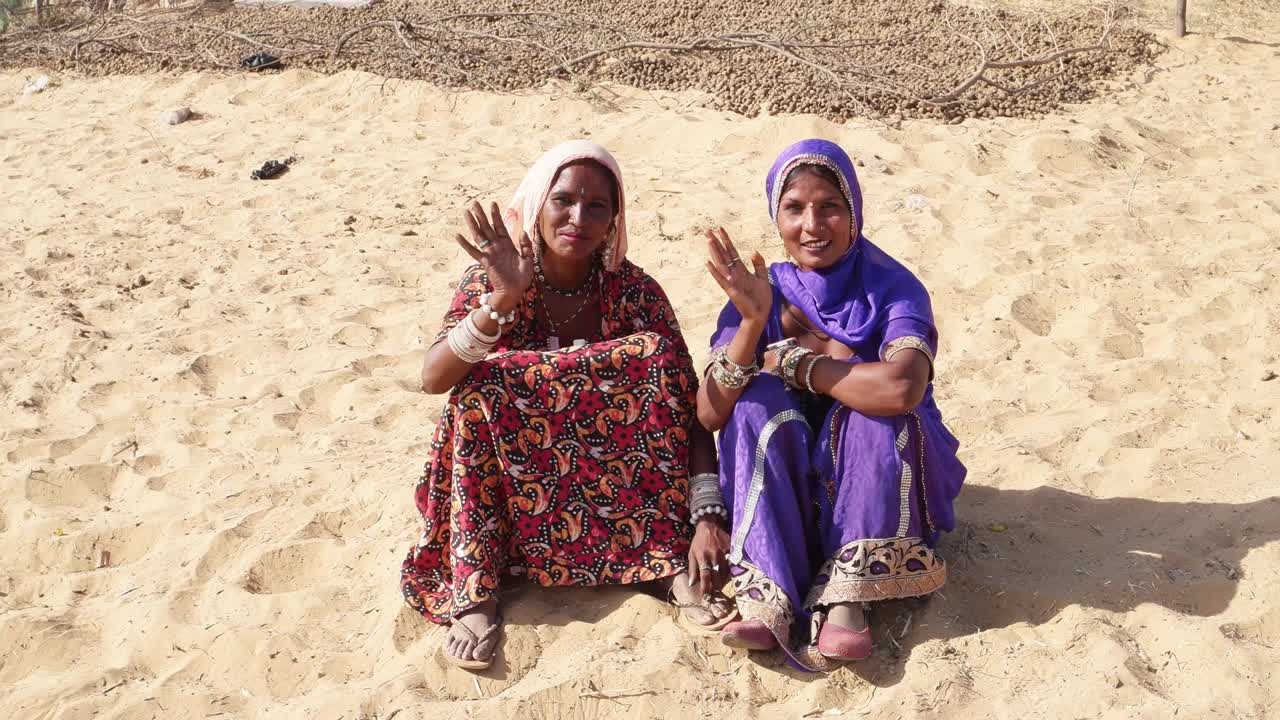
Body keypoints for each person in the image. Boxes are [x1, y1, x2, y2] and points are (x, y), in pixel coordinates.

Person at [401, 140, 733, 671]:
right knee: (479, 386)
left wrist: (706, 515)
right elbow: (433, 378)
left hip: (616, 492)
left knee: (656, 357)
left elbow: (685, 402)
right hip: (516, 487)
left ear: (613, 218)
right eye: (564, 200)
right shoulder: (495, 276)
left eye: (597, 206)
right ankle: (479, 586)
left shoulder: (634, 291)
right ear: (539, 203)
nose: (579, 218)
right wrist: (503, 300)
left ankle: (662, 562)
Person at [696, 139, 966, 670]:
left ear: (854, 214)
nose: (813, 225)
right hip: (792, 484)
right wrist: (752, 323)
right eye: (795, 208)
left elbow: (901, 388)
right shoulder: (766, 289)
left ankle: (848, 596)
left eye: (830, 207)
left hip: (875, 483)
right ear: (776, 215)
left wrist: (802, 366)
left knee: (873, 414)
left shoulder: (893, 287)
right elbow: (709, 413)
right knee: (754, 404)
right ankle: (770, 590)